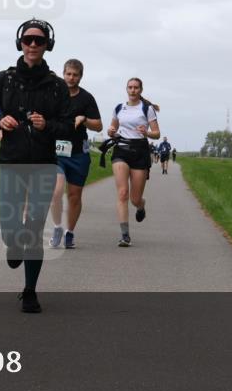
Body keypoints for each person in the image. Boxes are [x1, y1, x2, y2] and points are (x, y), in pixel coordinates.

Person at [0, 19, 72, 313]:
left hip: (43, 164)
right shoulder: (2, 80)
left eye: (39, 41)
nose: (33, 45)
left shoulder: (57, 86)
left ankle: (30, 291)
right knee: (10, 227)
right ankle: (13, 243)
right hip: (11, 162)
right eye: (28, 40)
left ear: (48, 45)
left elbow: (68, 126)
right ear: (20, 43)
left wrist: (47, 125)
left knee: (33, 227)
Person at [48, 59, 102, 250]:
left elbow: (99, 125)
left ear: (81, 76)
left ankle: (70, 232)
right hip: (56, 152)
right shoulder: (53, 93)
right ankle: (56, 227)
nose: (71, 78)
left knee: (74, 196)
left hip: (78, 153)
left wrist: (84, 119)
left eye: (75, 75)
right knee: (56, 191)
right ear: (63, 73)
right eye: (68, 74)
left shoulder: (86, 98)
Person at [106, 78, 161, 247]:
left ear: (141, 90)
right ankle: (125, 235)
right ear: (126, 89)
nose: (133, 90)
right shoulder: (119, 108)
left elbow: (157, 134)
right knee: (122, 193)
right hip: (121, 149)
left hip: (140, 151)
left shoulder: (147, 109)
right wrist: (111, 132)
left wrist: (147, 133)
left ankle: (141, 205)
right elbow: (112, 129)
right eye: (130, 87)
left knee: (134, 198)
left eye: (136, 87)